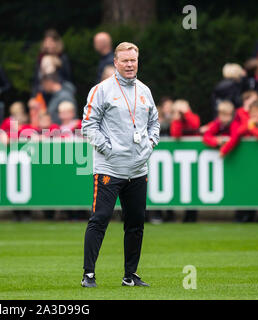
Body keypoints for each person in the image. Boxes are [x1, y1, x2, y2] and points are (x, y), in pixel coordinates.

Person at [81, 42, 160, 288]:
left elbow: (154, 123)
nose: (129, 65)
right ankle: (89, 274)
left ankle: (130, 275)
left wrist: (150, 143)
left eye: (133, 60)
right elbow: (88, 126)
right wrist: (108, 149)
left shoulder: (145, 90)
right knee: (100, 218)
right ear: (115, 62)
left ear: (138, 61)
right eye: (124, 61)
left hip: (138, 169)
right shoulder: (101, 90)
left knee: (136, 222)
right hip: (109, 168)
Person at [32, 29, 72, 97]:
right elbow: (36, 80)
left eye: (51, 42)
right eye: (46, 42)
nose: (48, 45)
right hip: (43, 91)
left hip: (60, 89)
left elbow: (68, 77)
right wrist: (33, 96)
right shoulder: (41, 58)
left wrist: (58, 65)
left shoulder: (63, 58)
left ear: (57, 43)